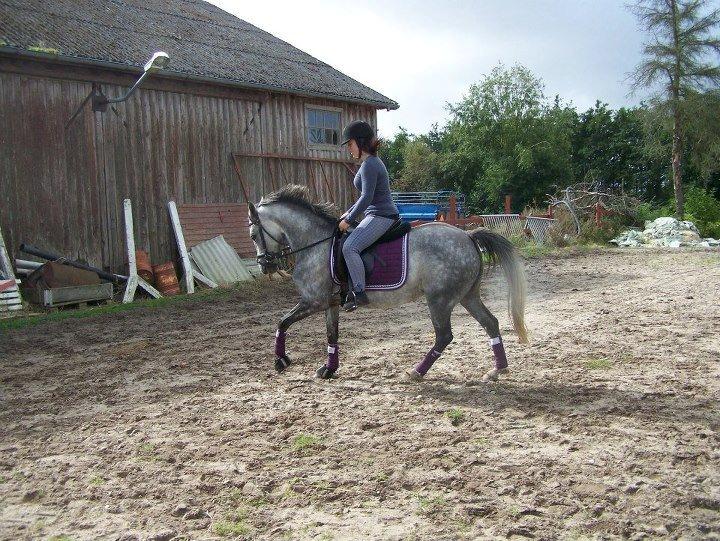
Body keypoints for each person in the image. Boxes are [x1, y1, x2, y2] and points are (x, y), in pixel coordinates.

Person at [338, 120, 400, 311]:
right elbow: (365, 199)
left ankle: (359, 292)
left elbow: (367, 197)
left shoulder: (370, 164)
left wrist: (348, 220)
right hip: (375, 214)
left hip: (382, 215)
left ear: (360, 142)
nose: (349, 149)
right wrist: (348, 213)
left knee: (349, 247)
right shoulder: (368, 163)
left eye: (350, 144)